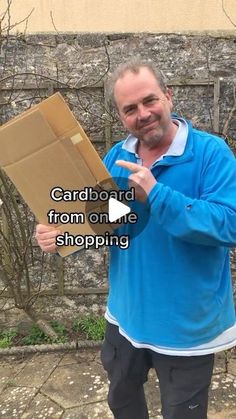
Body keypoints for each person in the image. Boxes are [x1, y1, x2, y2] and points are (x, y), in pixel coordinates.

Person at [35, 58, 236, 419]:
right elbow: (109, 224)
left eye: (149, 101)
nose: (142, 114)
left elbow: (229, 225)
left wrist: (157, 195)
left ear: (169, 96)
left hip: (186, 327)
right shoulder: (117, 157)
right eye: (130, 109)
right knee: (122, 403)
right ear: (120, 116)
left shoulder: (211, 154)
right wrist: (62, 233)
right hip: (126, 318)